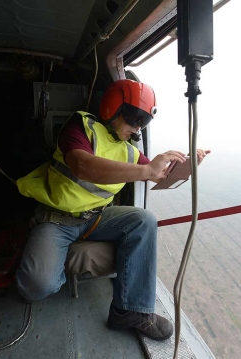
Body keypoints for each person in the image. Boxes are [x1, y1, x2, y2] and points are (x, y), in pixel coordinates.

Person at [15, 79, 210, 341]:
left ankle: (129, 311)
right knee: (36, 286)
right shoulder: (81, 127)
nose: (136, 127)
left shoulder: (129, 152)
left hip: (96, 218)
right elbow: (82, 165)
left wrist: (188, 164)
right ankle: (66, 256)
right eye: (133, 118)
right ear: (111, 108)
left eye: (143, 122)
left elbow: (160, 175)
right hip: (57, 220)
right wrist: (147, 170)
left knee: (143, 220)